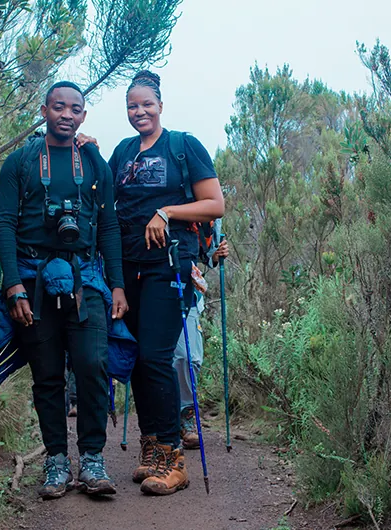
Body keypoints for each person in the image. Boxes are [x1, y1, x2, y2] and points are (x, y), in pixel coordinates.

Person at [0, 81, 128, 500]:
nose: (66, 115)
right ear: (45, 110)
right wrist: (12, 284)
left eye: (74, 109)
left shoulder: (94, 163)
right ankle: (55, 461)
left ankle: (91, 459)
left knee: (91, 364)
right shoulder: (21, 161)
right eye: (58, 107)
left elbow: (107, 226)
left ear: (83, 115)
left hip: (85, 276)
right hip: (33, 278)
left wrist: (117, 284)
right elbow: (5, 224)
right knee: (47, 374)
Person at [108, 70, 224, 496]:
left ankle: (174, 458)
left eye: (146, 104)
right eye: (131, 106)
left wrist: (167, 212)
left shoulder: (183, 147)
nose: (139, 112)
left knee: (156, 357)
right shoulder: (121, 151)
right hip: (127, 267)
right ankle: (152, 449)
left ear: (160, 105)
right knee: (137, 358)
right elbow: (105, 201)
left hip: (169, 266)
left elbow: (215, 203)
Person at [174, 226, 229, 449]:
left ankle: (186, 413)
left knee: (189, 358)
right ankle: (158, 425)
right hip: (151, 281)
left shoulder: (203, 208)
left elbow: (205, 252)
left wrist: (215, 254)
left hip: (188, 290)